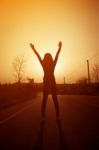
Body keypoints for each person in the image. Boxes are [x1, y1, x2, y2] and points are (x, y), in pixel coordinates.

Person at [30, 41, 62, 120]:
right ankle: (56, 116)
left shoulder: (44, 64)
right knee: (54, 99)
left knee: (45, 100)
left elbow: (38, 56)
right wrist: (60, 47)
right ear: (50, 58)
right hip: (51, 82)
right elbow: (57, 56)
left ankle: (43, 116)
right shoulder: (52, 64)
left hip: (47, 83)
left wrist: (33, 48)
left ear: (46, 58)